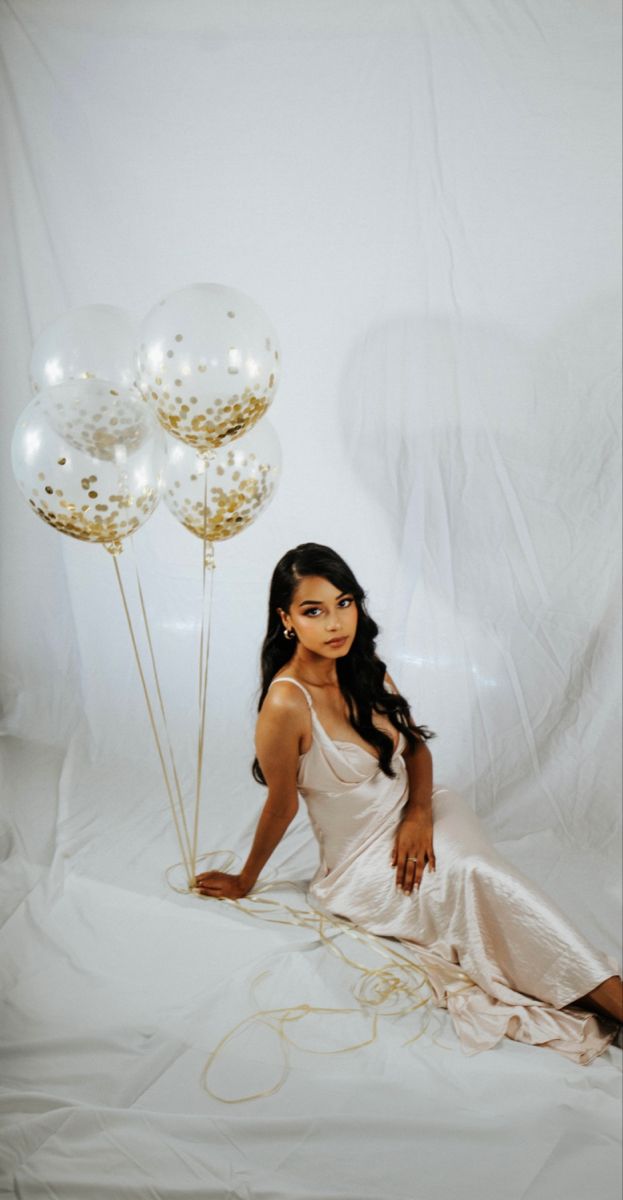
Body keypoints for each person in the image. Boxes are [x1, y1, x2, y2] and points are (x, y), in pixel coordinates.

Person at [194, 543, 622, 1061]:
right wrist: (244, 880)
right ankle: (609, 999)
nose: (335, 623)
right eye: (314, 611)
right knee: (474, 878)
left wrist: (418, 814)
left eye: (344, 603)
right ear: (286, 619)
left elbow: (415, 748)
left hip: (427, 809)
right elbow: (281, 806)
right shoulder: (286, 702)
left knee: (481, 872)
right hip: (361, 863)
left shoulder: (363, 664)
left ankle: (606, 996)